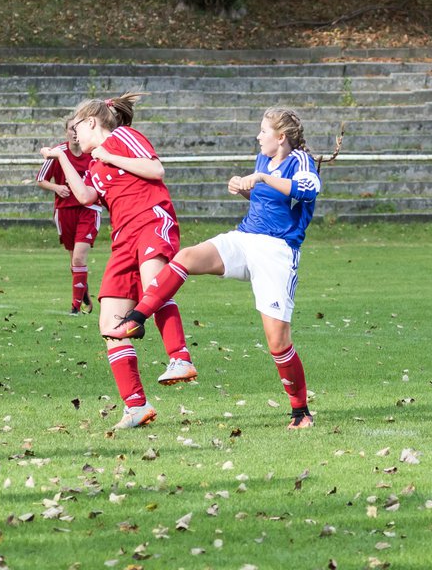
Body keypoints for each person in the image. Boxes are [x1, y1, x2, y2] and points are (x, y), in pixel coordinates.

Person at [103, 109, 321, 429]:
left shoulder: (299, 160)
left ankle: (300, 412)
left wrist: (259, 178)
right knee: (187, 256)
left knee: (278, 342)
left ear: (281, 137)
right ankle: (136, 319)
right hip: (245, 238)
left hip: (277, 251)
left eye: (263, 131)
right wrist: (245, 188)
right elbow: (270, 199)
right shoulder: (265, 159)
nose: (258, 136)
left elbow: (308, 189)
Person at [38, 93, 198, 430]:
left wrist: (110, 155)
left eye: (76, 126)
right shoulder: (95, 163)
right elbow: (84, 196)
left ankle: (180, 358)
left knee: (156, 285)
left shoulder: (121, 137)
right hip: (123, 239)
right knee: (110, 325)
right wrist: (61, 158)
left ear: (92, 122)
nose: (73, 133)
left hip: (152, 220)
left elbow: (156, 169)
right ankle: (136, 406)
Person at [36, 117, 101, 315]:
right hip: (65, 211)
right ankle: (83, 290)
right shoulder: (59, 153)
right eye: (71, 129)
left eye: (77, 128)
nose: (74, 132)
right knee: (74, 259)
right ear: (66, 132)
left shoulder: (93, 153)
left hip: (89, 210)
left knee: (80, 258)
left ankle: (75, 307)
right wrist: (57, 187)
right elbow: (40, 179)